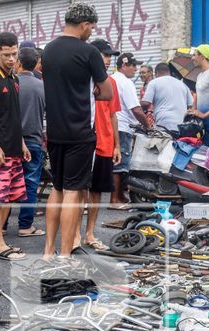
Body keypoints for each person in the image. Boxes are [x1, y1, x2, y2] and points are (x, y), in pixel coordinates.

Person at [42, 2, 113, 257]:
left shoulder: (48, 50)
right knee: (73, 192)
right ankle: (64, 254)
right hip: (80, 131)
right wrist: (93, 89)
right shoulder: (89, 52)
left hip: (55, 130)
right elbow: (107, 91)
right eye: (91, 28)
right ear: (84, 25)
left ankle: (48, 251)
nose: (91, 33)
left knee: (57, 189)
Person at [0, 31, 31, 261]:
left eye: (14, 54)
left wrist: (22, 144)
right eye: (6, 54)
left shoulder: (15, 78)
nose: (11, 59)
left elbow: (14, 115)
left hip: (14, 148)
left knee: (10, 197)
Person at [84, 39, 122, 251]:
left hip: (105, 143)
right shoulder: (83, 80)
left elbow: (113, 115)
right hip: (84, 141)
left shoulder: (111, 82)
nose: (108, 60)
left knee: (97, 191)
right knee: (79, 190)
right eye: (105, 55)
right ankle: (73, 235)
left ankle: (89, 233)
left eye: (109, 56)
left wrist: (116, 145)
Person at [111, 52, 150, 207]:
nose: (136, 69)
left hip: (114, 126)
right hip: (122, 127)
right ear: (124, 65)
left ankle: (120, 197)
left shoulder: (112, 79)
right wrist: (148, 126)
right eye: (133, 65)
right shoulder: (126, 83)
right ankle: (114, 200)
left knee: (118, 162)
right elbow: (136, 109)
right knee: (120, 163)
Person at [14, 46, 46, 236]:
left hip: (11, 142)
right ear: (36, 64)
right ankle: (25, 226)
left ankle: (0, 226)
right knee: (31, 183)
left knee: (8, 182)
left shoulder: (11, 84)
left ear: (18, 62)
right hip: (34, 140)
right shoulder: (42, 86)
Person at [141, 62, 192, 133]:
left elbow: (146, 104)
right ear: (169, 72)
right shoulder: (182, 84)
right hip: (182, 124)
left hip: (164, 123)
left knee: (165, 143)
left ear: (156, 73)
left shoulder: (154, 83)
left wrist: (137, 105)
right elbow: (190, 106)